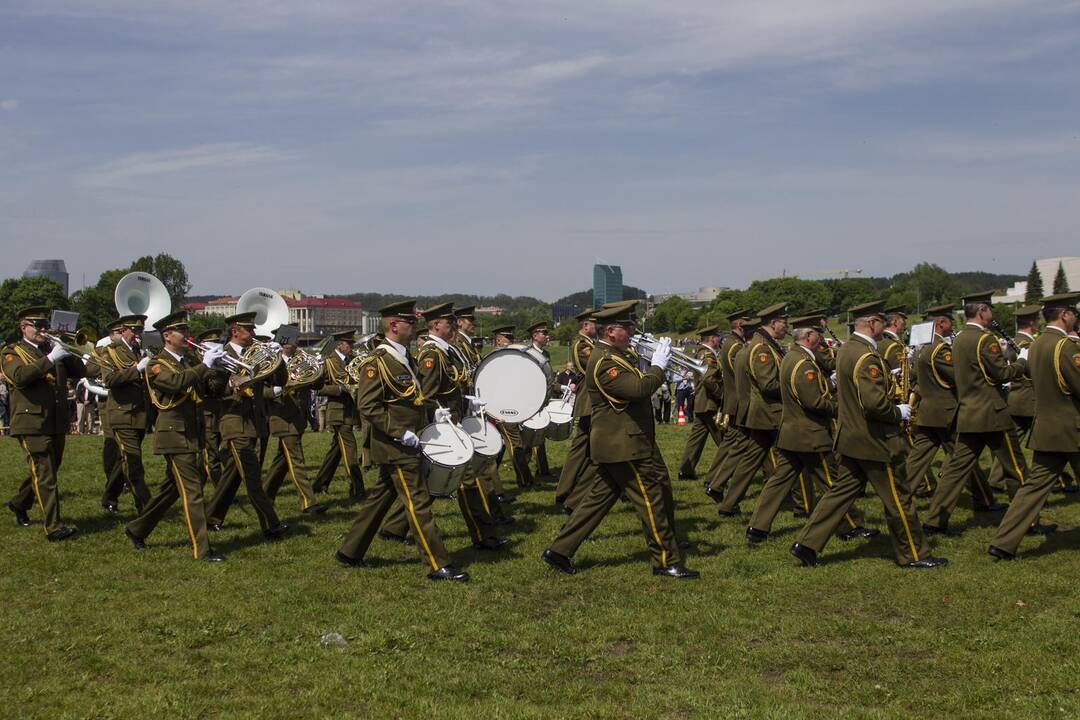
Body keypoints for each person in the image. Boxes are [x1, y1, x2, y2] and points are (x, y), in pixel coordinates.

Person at [542, 300, 698, 579]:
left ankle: (559, 550)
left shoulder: (617, 355)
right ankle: (665, 559)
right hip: (624, 445)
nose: (633, 330)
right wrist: (658, 367)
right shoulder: (604, 362)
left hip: (625, 441)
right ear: (611, 331)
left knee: (596, 502)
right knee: (650, 500)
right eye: (628, 326)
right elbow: (638, 389)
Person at [790, 301, 945, 568]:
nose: (885, 328)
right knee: (899, 498)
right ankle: (914, 554)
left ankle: (807, 544)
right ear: (872, 323)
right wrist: (899, 412)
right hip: (874, 440)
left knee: (839, 494)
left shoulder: (848, 349)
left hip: (852, 438)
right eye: (882, 322)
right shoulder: (866, 356)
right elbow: (873, 403)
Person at [335, 300, 468, 582]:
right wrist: (399, 432)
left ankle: (349, 551)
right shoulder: (378, 361)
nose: (416, 327)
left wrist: (435, 410)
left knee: (381, 498)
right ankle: (436, 563)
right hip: (397, 446)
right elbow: (368, 406)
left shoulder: (405, 357)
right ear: (394, 326)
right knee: (418, 503)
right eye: (410, 323)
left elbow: (414, 396)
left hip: (409, 441)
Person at [747, 314, 875, 542]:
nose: (822, 339)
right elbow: (814, 402)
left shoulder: (791, 357)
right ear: (808, 336)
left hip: (792, 433)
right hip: (809, 435)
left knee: (778, 483)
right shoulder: (803, 363)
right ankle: (850, 525)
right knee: (833, 484)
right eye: (818, 334)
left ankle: (757, 527)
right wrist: (843, 408)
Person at [923, 291, 1037, 536]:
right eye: (990, 309)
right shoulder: (986, 339)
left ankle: (934, 520)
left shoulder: (960, 338)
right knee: (1016, 469)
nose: (991, 314)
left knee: (955, 472)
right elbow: (1001, 375)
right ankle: (1028, 522)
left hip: (968, 414)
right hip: (993, 415)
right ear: (983, 311)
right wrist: (1023, 362)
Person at [124, 311, 225, 562]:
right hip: (174, 436)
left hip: (191, 434)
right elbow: (176, 384)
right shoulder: (157, 364)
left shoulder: (185, 362)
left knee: (172, 489)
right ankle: (202, 550)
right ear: (167, 336)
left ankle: (138, 528)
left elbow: (212, 392)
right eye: (182, 331)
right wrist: (205, 365)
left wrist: (219, 369)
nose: (187, 335)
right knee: (193, 492)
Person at [988, 293, 1080, 559]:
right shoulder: (1065, 346)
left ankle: (1003, 543)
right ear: (1064, 315)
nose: (1075, 316)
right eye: (1073, 312)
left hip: (1046, 427)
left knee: (1032, 490)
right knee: (1033, 488)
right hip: (1071, 429)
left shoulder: (1037, 345)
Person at [904, 304, 1001, 509]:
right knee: (963, 459)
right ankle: (983, 499)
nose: (952, 324)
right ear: (941, 323)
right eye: (949, 320)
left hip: (929, 412)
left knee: (916, 461)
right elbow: (959, 377)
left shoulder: (925, 348)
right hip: (945, 413)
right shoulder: (940, 350)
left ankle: (900, 496)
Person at [1, 306, 86, 539]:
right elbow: (19, 377)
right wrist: (50, 358)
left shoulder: (52, 349)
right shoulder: (13, 351)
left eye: (44, 326)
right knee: (45, 473)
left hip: (55, 420)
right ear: (23, 328)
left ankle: (20, 503)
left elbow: (82, 370)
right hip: (30, 421)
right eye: (36, 326)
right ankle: (54, 527)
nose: (42, 330)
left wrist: (68, 349)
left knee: (49, 469)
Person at [204, 312, 289, 538]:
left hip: (256, 421)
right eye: (249, 330)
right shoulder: (222, 355)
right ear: (235, 332)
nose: (253, 334)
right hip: (233, 421)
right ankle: (271, 524)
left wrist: (278, 361)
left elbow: (280, 381)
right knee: (252, 477)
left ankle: (211, 518)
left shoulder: (259, 353)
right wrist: (233, 383)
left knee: (233, 474)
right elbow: (212, 389)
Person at [715, 303, 789, 517]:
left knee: (750, 461)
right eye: (783, 322)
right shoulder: (762, 348)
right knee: (793, 459)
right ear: (774, 323)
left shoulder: (762, 345)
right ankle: (799, 504)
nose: (786, 326)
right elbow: (767, 384)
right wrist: (794, 387)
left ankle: (728, 504)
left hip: (763, 413)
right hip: (768, 413)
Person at [263, 340, 326, 515]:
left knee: (282, 461)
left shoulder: (302, 360)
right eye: (289, 342)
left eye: (294, 342)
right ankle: (308, 502)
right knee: (297, 460)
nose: (292, 345)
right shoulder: (270, 362)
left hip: (297, 418)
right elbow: (259, 389)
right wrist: (275, 391)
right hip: (281, 417)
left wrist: (320, 370)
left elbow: (317, 386)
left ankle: (263, 496)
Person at [98, 314, 152, 514]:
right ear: (123, 331)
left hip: (139, 414)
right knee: (134, 462)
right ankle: (145, 506)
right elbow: (109, 379)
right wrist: (136, 370)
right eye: (134, 331)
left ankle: (109, 497)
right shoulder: (111, 351)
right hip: (122, 414)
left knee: (124, 460)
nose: (138, 335)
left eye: (140, 331)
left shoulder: (139, 351)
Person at [704, 309, 751, 501]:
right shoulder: (735, 346)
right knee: (748, 443)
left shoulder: (732, 344)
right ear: (740, 325)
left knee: (732, 442)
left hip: (735, 400)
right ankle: (716, 484)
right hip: (740, 400)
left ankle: (713, 481)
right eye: (747, 323)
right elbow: (742, 375)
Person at [554, 308, 598, 512]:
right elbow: (594, 365)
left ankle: (566, 492)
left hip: (592, 400)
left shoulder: (591, 344)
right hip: (589, 400)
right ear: (585, 326)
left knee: (584, 449)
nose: (598, 327)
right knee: (582, 450)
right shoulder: (582, 345)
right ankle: (565, 493)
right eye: (594, 323)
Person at [313, 330, 366, 500]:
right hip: (337, 413)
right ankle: (357, 489)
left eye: (351, 344)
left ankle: (319, 484)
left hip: (350, 411)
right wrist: (339, 389)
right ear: (339, 345)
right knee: (350, 449)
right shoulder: (328, 363)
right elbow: (318, 387)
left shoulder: (351, 361)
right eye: (348, 344)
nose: (351, 347)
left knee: (336, 451)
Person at [677, 325, 724, 479]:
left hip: (702, 403)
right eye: (718, 336)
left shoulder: (703, 352)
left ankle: (686, 470)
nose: (720, 338)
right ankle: (721, 476)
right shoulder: (707, 354)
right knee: (726, 441)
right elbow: (709, 378)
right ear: (712, 339)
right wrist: (721, 394)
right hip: (710, 402)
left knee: (696, 440)